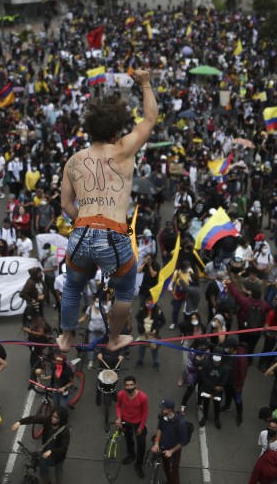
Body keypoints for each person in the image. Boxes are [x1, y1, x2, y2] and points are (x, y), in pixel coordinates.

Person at [57, 69, 157, 354]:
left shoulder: (73, 161)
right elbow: (150, 119)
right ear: (116, 130)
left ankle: (65, 338)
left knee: (73, 288)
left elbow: (65, 205)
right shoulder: (124, 149)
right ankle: (113, 339)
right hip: (113, 234)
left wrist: (84, 224)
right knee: (125, 289)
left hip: (81, 232)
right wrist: (146, 83)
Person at [12, 407, 71, 484]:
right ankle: (47, 482)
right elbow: (34, 418)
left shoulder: (65, 431)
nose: (54, 419)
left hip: (58, 457)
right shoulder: (48, 420)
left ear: (62, 419)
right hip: (45, 452)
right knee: (43, 470)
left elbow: (64, 447)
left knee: (58, 472)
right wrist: (20, 422)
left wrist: (51, 451)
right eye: (53, 416)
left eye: (57, 418)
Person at [115, 375, 149, 478]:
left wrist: (141, 427)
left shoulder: (142, 397)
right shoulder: (121, 394)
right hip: (126, 421)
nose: (129, 387)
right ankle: (131, 454)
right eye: (127, 385)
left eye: (131, 385)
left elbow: (145, 412)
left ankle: (138, 464)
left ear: (135, 385)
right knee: (128, 439)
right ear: (124, 386)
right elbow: (118, 407)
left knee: (141, 445)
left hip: (138, 422)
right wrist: (119, 418)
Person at [151, 398, 187, 484]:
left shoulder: (181, 423)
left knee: (174, 471)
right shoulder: (162, 417)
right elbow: (160, 429)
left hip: (174, 452)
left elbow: (183, 442)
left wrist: (171, 451)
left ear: (170, 410)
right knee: (166, 467)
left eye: (163, 408)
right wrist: (156, 443)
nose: (161, 410)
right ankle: (169, 481)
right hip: (163, 448)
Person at [250, 416, 277, 484]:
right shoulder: (263, 434)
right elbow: (262, 445)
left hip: (275, 469)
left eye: (274, 428)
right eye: (270, 426)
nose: (270, 429)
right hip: (262, 463)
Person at [135, 297, 165, 371]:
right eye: (147, 303)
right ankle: (140, 360)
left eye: (150, 303)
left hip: (152, 335)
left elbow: (163, 322)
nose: (148, 305)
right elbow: (137, 317)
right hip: (143, 334)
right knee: (141, 348)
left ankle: (156, 363)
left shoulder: (158, 311)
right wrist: (140, 324)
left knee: (154, 348)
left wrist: (156, 329)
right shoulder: (142, 310)